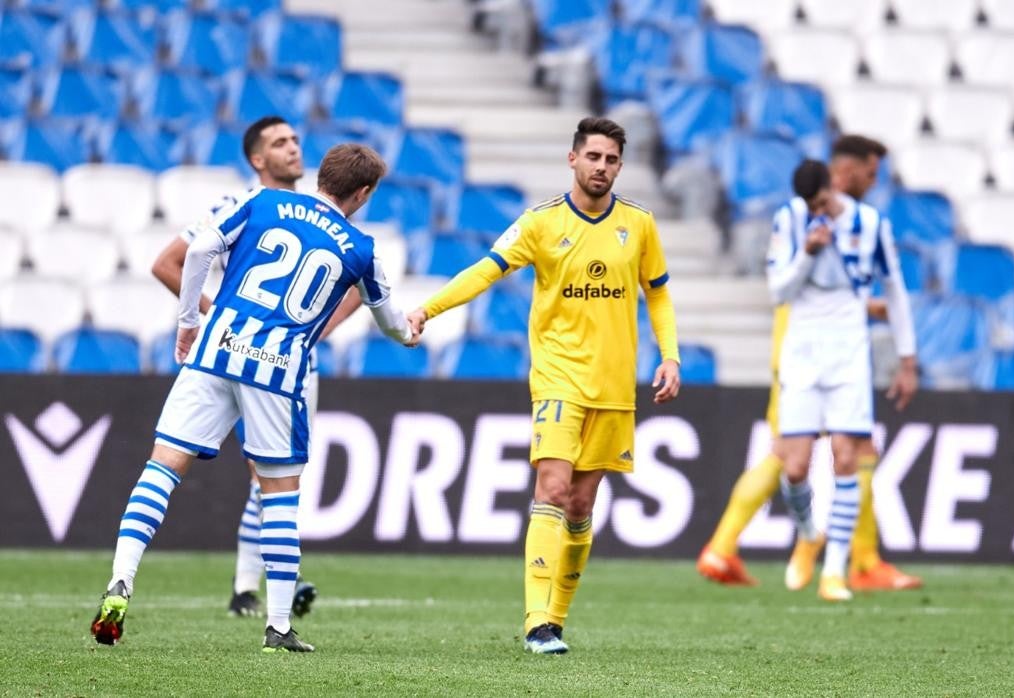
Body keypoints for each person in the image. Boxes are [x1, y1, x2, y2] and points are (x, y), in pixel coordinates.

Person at [91, 144, 418, 652]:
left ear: (320, 177)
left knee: (161, 470)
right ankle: (279, 626)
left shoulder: (262, 202)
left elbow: (198, 251)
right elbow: (391, 323)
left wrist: (188, 322)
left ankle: (120, 581)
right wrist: (410, 331)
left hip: (216, 350)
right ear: (363, 193)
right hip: (278, 372)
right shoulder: (361, 248)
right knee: (280, 494)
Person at [410, 117, 681, 654]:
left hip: (613, 386)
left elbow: (659, 294)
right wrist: (427, 309)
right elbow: (485, 270)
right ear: (573, 159)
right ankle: (535, 620)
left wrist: (669, 355)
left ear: (620, 166)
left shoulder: (640, 224)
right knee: (552, 489)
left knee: (581, 506)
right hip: (558, 376)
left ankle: (555, 619)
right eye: (593, 157)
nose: (601, 167)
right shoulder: (540, 223)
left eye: (611, 160)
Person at [151, 115, 362, 619]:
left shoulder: (324, 214)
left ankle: (248, 587)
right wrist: (217, 316)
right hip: (231, 354)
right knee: (245, 469)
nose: (293, 148)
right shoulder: (235, 205)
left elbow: (358, 286)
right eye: (279, 142)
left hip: (292, 362)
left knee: (269, 475)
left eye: (294, 140)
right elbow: (167, 263)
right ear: (257, 159)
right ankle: (258, 586)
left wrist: (309, 333)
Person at [697, 136, 920, 593]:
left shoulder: (870, 223)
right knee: (791, 461)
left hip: (848, 351)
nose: (874, 181)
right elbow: (781, 290)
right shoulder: (793, 219)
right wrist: (810, 253)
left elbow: (889, 288)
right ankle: (804, 540)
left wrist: (906, 355)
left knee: (851, 455)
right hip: (798, 350)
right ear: (843, 172)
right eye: (869, 172)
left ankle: (844, 565)